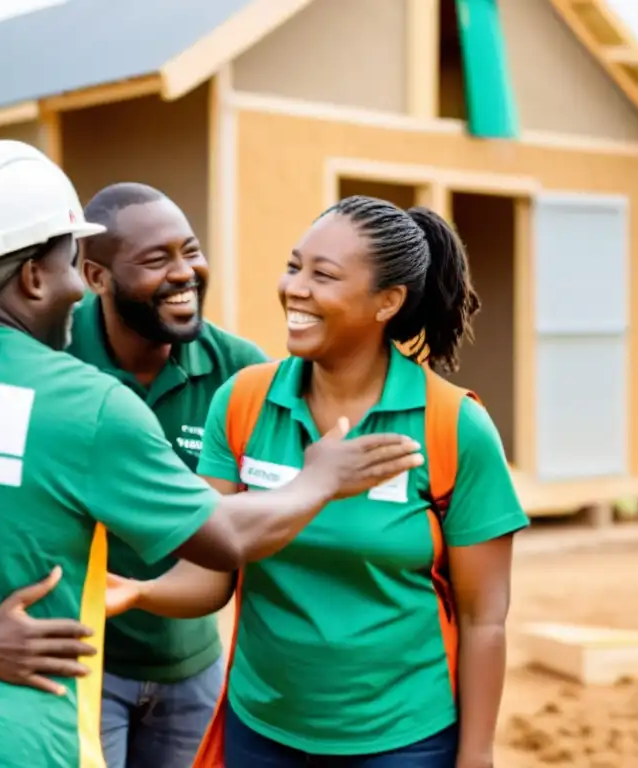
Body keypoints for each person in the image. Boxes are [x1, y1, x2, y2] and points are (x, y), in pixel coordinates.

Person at [0, 142, 422, 768]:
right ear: (32, 275)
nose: (77, 291)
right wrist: (317, 480)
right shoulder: (83, 404)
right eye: (66, 266)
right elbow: (222, 538)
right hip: (22, 741)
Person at [108, 196, 529, 768]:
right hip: (261, 731)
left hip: (404, 740)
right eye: (293, 266)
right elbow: (211, 577)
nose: (295, 289)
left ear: (388, 302)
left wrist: (476, 755)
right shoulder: (245, 403)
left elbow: (485, 619)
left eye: (322, 275)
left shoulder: (453, 426)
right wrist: (140, 592)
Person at [72, 183, 267, 768]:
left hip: (193, 669)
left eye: (191, 250)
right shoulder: (53, 359)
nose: (185, 273)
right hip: (83, 661)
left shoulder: (241, 372)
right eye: (157, 260)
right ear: (96, 276)